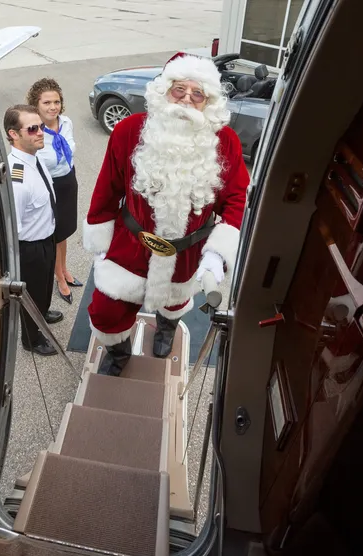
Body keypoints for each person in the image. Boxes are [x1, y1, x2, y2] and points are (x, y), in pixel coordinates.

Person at [83, 52, 249, 376]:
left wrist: (218, 253)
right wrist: (101, 237)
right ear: (164, 91)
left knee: (174, 302)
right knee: (106, 310)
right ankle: (118, 352)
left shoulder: (225, 142)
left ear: (208, 102)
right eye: (179, 89)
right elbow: (107, 187)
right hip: (130, 242)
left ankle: (166, 328)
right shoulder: (129, 131)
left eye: (197, 93)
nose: (186, 99)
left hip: (187, 250)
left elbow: (237, 197)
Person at [4, 104, 63, 356]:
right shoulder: (16, 179)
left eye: (41, 126)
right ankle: (31, 338)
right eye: (33, 128)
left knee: (44, 285)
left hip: (46, 239)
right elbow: (11, 228)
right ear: (13, 134)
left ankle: (42, 311)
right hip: (30, 248)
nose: (41, 132)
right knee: (32, 292)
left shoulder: (33, 159)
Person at [27, 78, 82, 305]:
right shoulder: (34, 130)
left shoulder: (66, 122)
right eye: (47, 103)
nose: (53, 107)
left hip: (68, 181)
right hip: (48, 185)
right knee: (53, 234)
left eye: (56, 102)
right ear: (36, 106)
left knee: (65, 231)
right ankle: (58, 277)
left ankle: (65, 269)